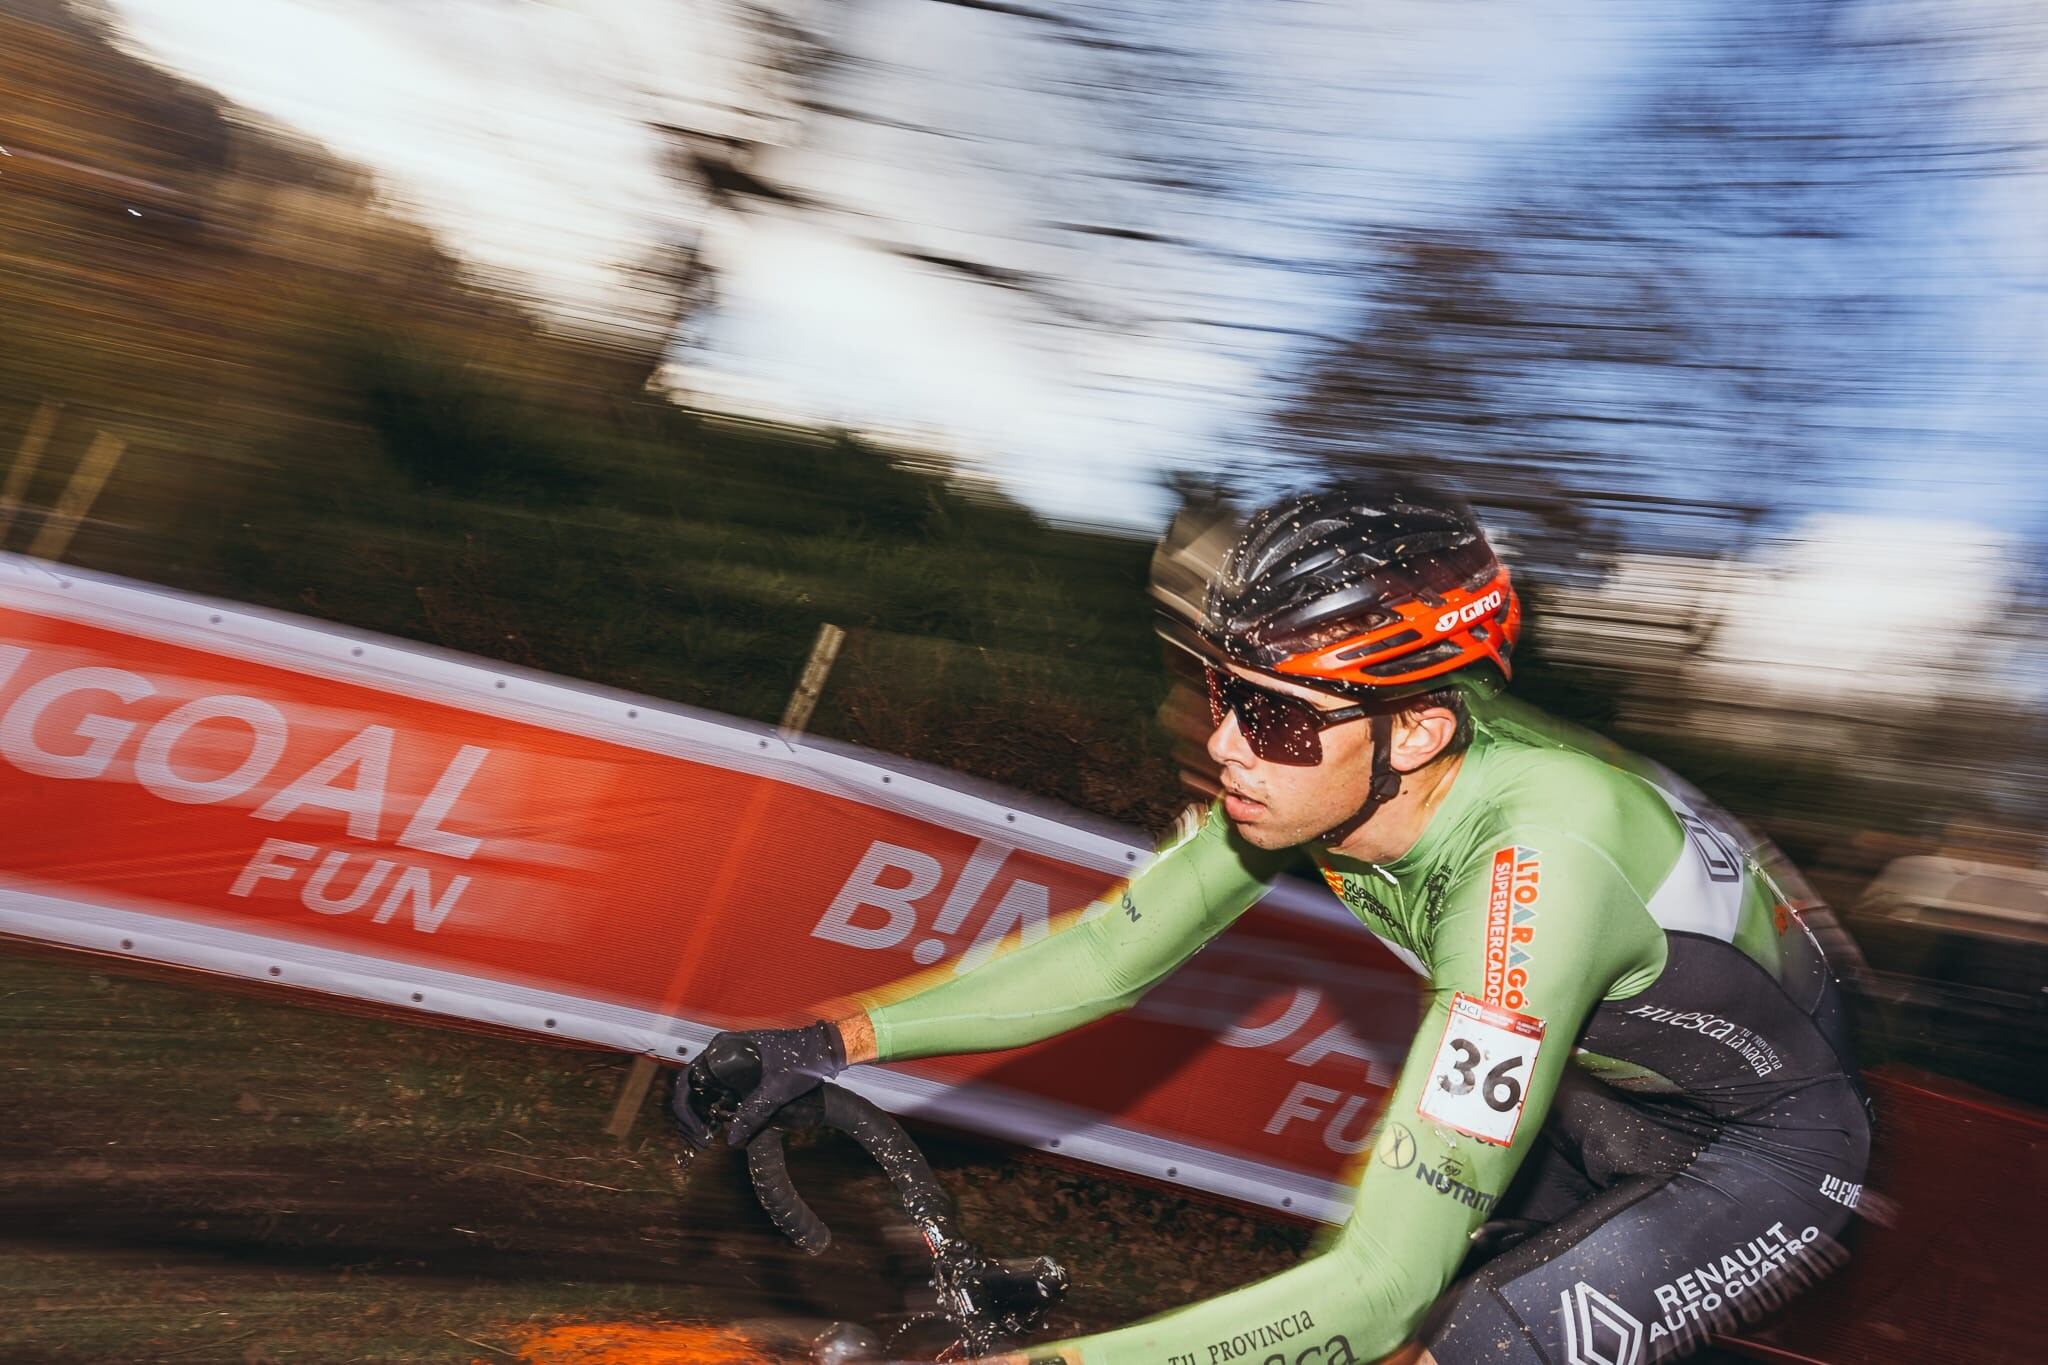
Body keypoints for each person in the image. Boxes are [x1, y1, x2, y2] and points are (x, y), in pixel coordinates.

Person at [676, 482, 1871, 1365]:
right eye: (1223, 689)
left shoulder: (1534, 870)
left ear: (1414, 731)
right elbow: (1109, 950)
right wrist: (828, 1041)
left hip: (1767, 1144)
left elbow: (1375, 1288)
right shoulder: (1319, 777)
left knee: (1478, 1343)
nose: (1225, 744)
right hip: (1602, 1092)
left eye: (1276, 716)